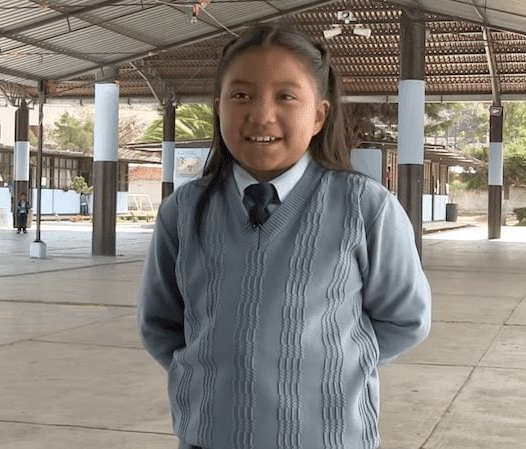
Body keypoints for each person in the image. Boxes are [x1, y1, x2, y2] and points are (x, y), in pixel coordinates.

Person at [138, 24, 431, 449]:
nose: (261, 115)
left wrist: (330, 365)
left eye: (286, 96)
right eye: (240, 95)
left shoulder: (365, 207)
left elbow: (405, 319)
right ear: (218, 107)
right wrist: (217, 371)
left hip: (329, 438)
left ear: (318, 115)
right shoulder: (184, 211)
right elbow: (161, 324)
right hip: (210, 436)